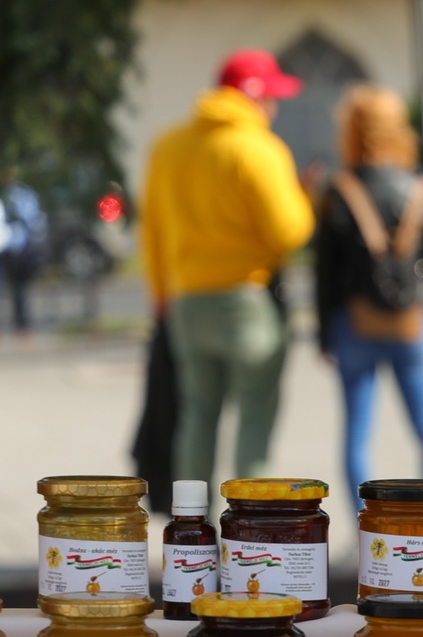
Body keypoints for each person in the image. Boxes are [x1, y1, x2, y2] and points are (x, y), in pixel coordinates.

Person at [137, 49, 315, 486]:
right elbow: (288, 233)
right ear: (255, 98)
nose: (273, 108)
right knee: (255, 419)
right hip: (248, 302)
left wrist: (160, 297)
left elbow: (151, 233)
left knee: (197, 417)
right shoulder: (258, 148)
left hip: (186, 301)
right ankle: (251, 523)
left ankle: (192, 523)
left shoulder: (168, 147)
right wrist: (304, 199)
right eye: (271, 98)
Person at [312, 86, 423, 494]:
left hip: (355, 323)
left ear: (352, 131)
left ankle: (365, 524)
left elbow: (325, 272)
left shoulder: (340, 191)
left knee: (357, 437)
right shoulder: (421, 189)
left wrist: (324, 336)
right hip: (413, 323)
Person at [0, 178, 46, 338]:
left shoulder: (25, 195)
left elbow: (34, 221)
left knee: (19, 290)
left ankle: (22, 326)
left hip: (18, 247)